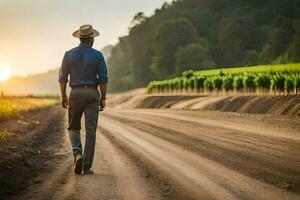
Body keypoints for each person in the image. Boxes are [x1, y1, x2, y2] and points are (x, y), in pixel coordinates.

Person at [58, 24, 108, 175]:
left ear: (79, 38)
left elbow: (62, 79)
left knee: (73, 127)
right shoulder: (98, 55)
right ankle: (86, 167)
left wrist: (63, 96)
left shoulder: (69, 54)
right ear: (91, 39)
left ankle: (77, 154)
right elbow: (103, 80)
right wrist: (103, 98)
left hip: (76, 93)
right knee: (91, 132)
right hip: (92, 94)